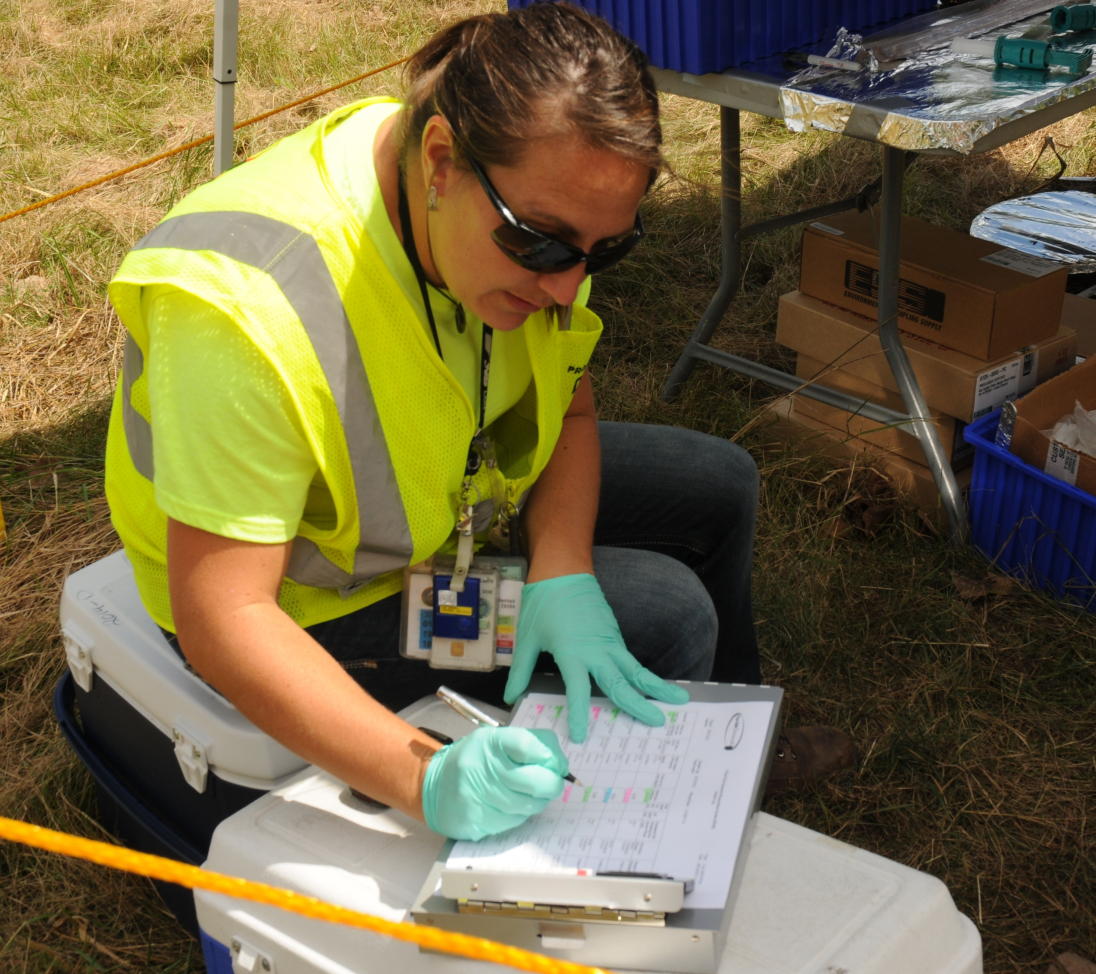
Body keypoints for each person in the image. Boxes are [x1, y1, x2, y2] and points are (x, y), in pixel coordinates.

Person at [105, 2, 854, 843]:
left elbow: (563, 401)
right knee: (666, 614)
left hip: (455, 502)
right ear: (439, 163)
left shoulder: (525, 204)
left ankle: (721, 759)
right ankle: (629, 850)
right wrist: (422, 777)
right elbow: (225, 619)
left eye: (604, 251)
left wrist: (562, 569)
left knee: (720, 485)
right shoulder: (247, 306)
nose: (568, 287)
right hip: (317, 599)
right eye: (544, 247)